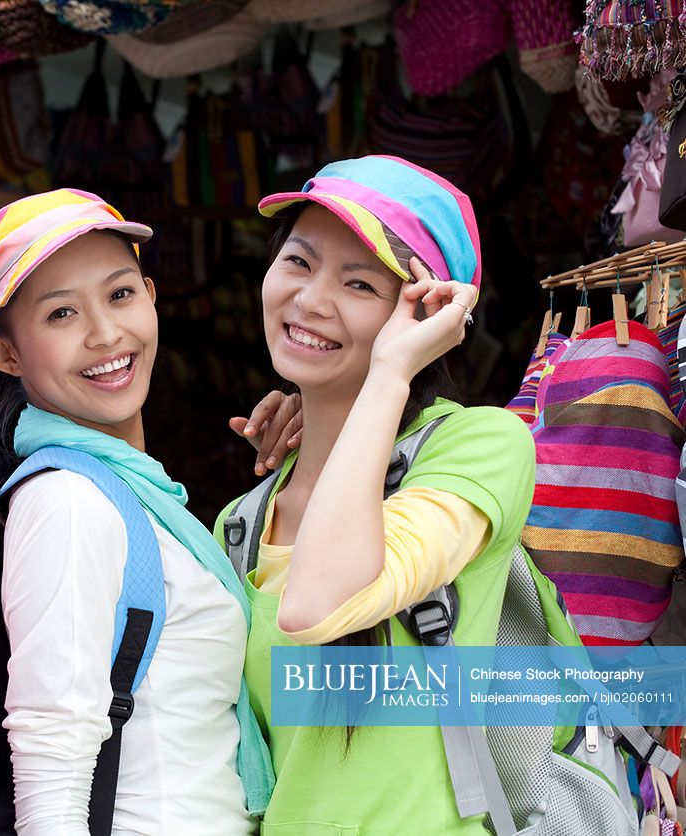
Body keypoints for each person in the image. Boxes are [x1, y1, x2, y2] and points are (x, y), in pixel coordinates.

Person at [215, 155, 535, 833]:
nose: (308, 300)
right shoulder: (239, 524)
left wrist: (390, 371)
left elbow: (315, 605)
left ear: (429, 312)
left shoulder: (481, 446)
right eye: (297, 262)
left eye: (359, 283)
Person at [0, 188, 272, 835]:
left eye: (120, 294)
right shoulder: (68, 502)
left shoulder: (129, 492)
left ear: (152, 298)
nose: (105, 334)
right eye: (62, 313)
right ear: (4, 353)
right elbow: (52, 750)